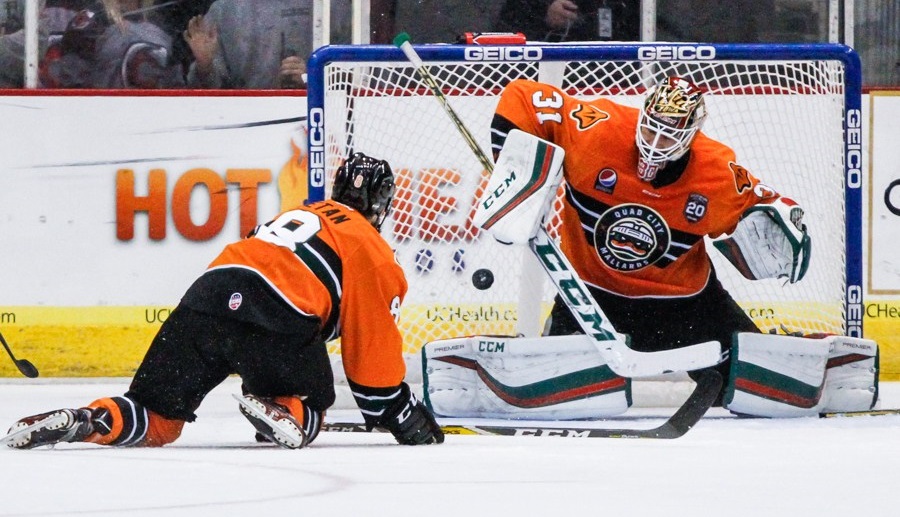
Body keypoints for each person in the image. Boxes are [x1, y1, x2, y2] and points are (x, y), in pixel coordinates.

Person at [3, 152, 445, 450]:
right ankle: (281, 409)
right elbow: (372, 354)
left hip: (207, 297)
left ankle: (89, 419)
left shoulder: (298, 213)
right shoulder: (370, 247)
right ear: (383, 204)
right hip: (276, 313)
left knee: (157, 420)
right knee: (314, 405)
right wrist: (398, 410)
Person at [489, 76, 810, 401]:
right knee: (557, 397)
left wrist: (783, 230)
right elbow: (524, 96)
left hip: (687, 308)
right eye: (650, 128)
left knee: (761, 391)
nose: (655, 143)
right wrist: (513, 171)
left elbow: (763, 208)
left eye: (669, 135)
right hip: (590, 302)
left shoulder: (717, 173)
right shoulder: (596, 131)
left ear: (691, 136)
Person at [183, 0, 350, 89]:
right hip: (246, 122)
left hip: (318, 119)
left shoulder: (333, 6)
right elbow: (205, 93)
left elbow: (357, 79)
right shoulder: (225, 9)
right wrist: (204, 64)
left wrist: (311, 78)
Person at [39, 0, 185, 88]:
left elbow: (176, 85)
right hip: (101, 121)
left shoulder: (166, 22)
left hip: (150, 117)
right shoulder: (92, 21)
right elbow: (69, 83)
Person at [493, 0, 639, 42]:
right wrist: (545, 17)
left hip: (607, 83)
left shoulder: (622, 5)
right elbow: (504, 40)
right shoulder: (525, 5)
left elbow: (638, 39)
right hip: (539, 81)